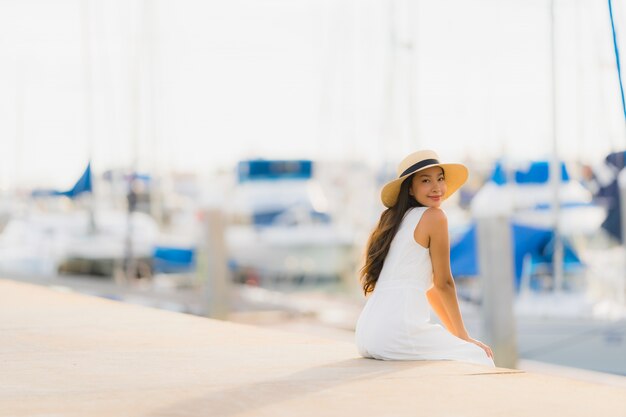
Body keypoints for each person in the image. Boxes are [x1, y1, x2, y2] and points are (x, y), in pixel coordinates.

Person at [355, 150, 495, 367]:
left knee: (463, 350)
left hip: (365, 334)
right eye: (426, 181)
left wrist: (457, 336)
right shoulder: (435, 217)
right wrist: (464, 337)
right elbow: (444, 283)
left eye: (440, 179)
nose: (436, 187)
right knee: (479, 357)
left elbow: (430, 289)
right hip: (397, 331)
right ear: (410, 188)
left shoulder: (395, 220)